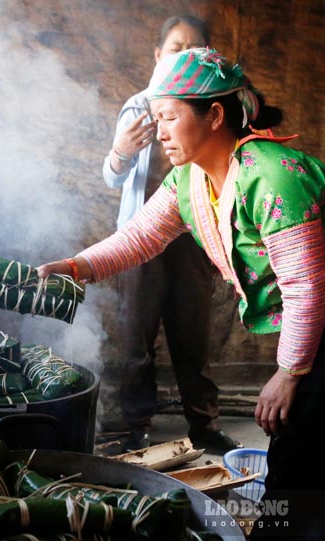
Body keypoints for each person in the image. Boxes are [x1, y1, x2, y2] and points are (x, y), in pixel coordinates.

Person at [38, 47, 325, 541]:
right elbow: (138, 239)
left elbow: (306, 288)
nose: (160, 131)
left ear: (214, 115)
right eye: (158, 118)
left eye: (170, 117)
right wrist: (75, 267)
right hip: (323, 282)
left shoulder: (272, 177)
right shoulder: (190, 178)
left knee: (301, 410)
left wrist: (287, 373)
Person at [102, 15, 240, 452]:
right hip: (142, 240)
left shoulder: (211, 109)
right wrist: (120, 153)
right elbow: (112, 177)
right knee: (135, 342)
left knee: (191, 338)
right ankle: (133, 425)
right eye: (176, 47)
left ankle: (202, 425)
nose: (184, 55)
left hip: (193, 238)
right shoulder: (139, 106)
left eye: (194, 49)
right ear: (158, 55)